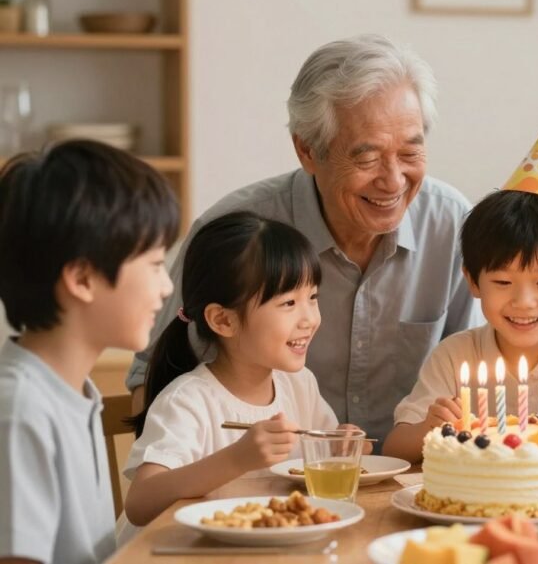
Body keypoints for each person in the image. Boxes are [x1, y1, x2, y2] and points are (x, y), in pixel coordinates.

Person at [124, 34, 483, 447]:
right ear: (307, 151)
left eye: (410, 153)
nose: (393, 180)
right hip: (260, 490)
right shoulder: (236, 230)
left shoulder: (452, 224)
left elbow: (470, 375)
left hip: (413, 484)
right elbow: (152, 375)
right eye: (367, 158)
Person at [383, 112, 538, 465]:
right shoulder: (454, 358)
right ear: (472, 281)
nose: (523, 301)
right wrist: (430, 427)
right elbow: (395, 446)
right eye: (502, 282)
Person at [0, 141, 178, 564]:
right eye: (154, 265)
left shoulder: (71, 392)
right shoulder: (21, 410)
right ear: (82, 278)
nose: (166, 287)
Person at [122, 212, 339, 526]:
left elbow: (323, 448)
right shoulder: (188, 400)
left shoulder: (299, 384)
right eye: (289, 303)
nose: (309, 319)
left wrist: (340, 443)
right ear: (224, 320)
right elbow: (140, 503)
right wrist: (237, 459)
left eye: (313, 297)